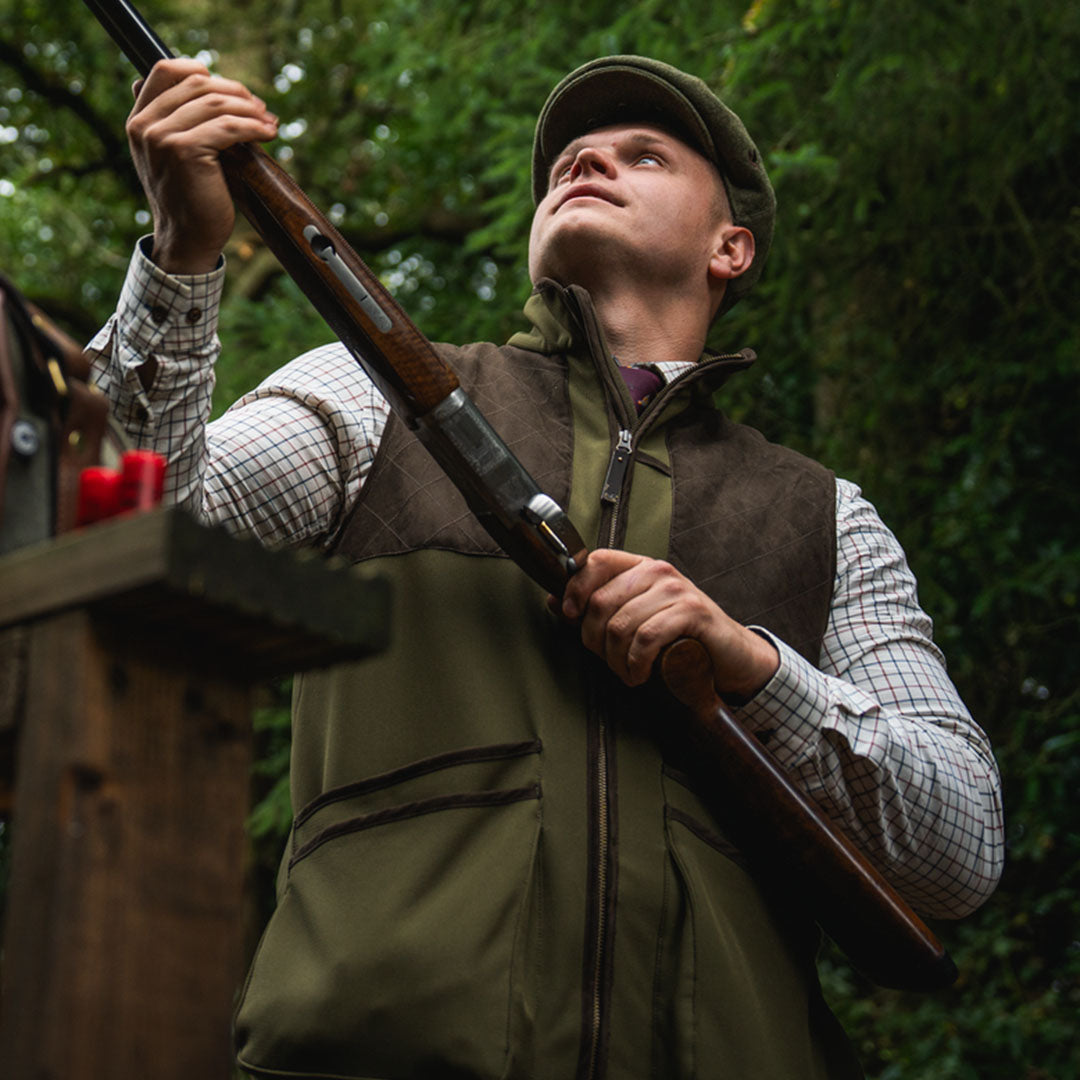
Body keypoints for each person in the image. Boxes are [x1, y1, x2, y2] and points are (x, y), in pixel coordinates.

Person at [86, 54, 1003, 1080]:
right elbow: (120, 552)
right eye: (571, 156)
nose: (588, 160)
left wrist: (749, 666)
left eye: (642, 154)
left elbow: (961, 846)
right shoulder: (370, 393)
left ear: (729, 248)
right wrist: (181, 256)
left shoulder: (826, 516)